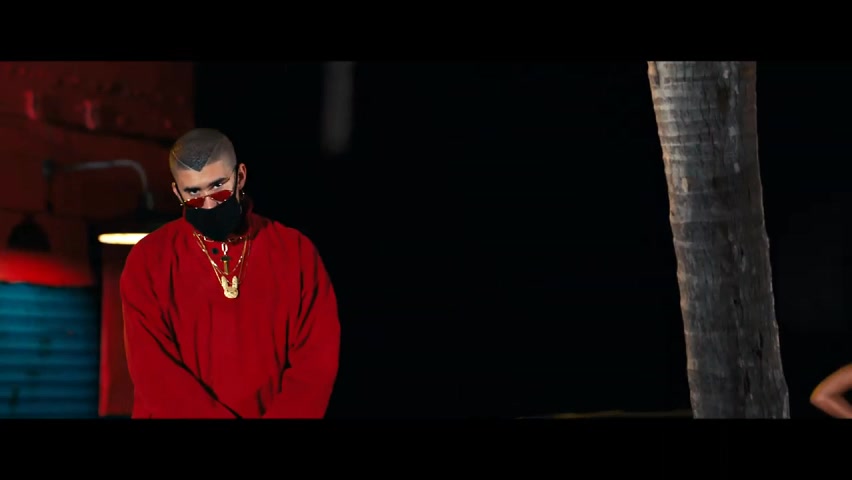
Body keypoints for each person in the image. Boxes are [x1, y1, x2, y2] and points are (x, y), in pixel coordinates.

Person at [120, 128, 340, 419]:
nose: (209, 203)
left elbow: (316, 360)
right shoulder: (149, 259)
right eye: (194, 193)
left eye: (219, 187)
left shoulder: (295, 251)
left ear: (241, 177)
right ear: (177, 192)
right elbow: (153, 371)